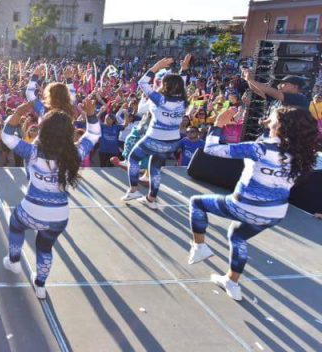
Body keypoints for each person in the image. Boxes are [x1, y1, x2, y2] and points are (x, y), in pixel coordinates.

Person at [187, 106, 319, 301]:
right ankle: (232, 283)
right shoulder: (306, 155)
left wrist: (218, 125)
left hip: (242, 207)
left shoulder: (260, 149)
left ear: (280, 126)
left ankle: (199, 247)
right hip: (274, 214)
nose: (267, 119)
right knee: (237, 236)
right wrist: (270, 128)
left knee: (197, 203)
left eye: (272, 118)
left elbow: (211, 149)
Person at [1, 99, 100, 299]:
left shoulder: (33, 152)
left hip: (31, 210)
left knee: (16, 224)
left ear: (43, 129)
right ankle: (40, 285)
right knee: (45, 247)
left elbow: (6, 136)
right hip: (59, 216)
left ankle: (13, 261)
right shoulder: (76, 153)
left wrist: (19, 112)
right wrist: (91, 115)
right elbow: (94, 134)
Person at [122, 55, 190, 209]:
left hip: (154, 139)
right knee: (155, 168)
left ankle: (133, 189)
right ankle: (151, 199)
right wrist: (184, 69)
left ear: (166, 86)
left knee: (132, 158)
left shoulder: (160, 100)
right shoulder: (183, 101)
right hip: (172, 142)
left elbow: (142, 82)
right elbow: (183, 82)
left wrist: (157, 67)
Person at [241, 70, 310, 110]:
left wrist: (250, 80)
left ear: (295, 86)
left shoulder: (300, 98)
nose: (280, 85)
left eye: (284, 83)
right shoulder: (280, 97)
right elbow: (256, 90)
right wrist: (248, 79)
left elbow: (273, 93)